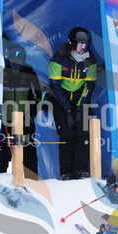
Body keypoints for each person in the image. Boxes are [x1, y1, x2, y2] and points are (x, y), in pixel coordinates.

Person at [48, 26, 97, 180]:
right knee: (67, 134)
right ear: (71, 44)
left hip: (80, 99)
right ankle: (66, 171)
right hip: (60, 99)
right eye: (79, 45)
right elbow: (55, 85)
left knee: (83, 133)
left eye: (85, 46)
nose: (82, 49)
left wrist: (80, 107)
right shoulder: (59, 58)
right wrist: (67, 109)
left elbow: (89, 85)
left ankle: (81, 170)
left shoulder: (90, 60)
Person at [0, 42, 42, 175]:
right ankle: (1, 175)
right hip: (5, 119)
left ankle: (31, 177)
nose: (16, 60)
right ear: (8, 57)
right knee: (5, 147)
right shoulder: (1, 73)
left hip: (24, 119)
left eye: (19, 57)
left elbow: (37, 97)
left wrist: (30, 114)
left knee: (28, 147)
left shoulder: (30, 74)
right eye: (13, 57)